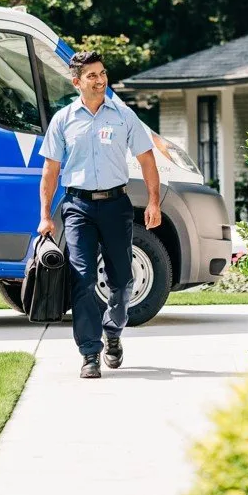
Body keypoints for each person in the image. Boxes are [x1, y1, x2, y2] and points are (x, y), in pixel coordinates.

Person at [38, 51, 161, 379]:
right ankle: (89, 352)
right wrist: (46, 216)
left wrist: (153, 202)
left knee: (122, 281)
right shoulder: (64, 120)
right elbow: (50, 170)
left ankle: (113, 332)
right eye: (92, 75)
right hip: (77, 207)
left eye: (102, 73)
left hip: (116, 205)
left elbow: (147, 159)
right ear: (77, 82)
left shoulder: (123, 116)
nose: (100, 79)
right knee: (83, 278)